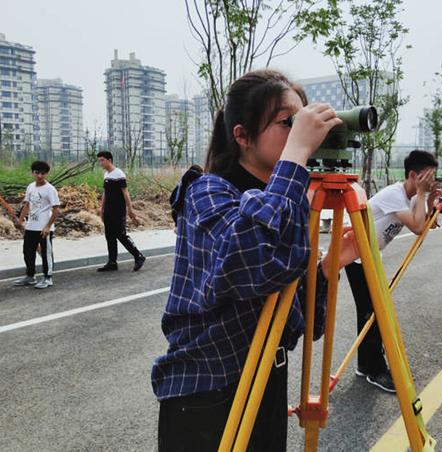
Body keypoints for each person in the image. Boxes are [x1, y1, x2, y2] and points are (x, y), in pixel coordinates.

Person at [152, 70, 341, 451]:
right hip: (209, 391)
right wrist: (295, 160)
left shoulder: (284, 201)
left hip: (265, 380)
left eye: (304, 121)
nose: (302, 131)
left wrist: (325, 269)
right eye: (288, 122)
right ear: (241, 135)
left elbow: (297, 323)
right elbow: (251, 258)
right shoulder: (207, 191)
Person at [343, 150, 442, 393]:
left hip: (369, 258)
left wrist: (427, 202)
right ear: (413, 175)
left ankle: (367, 366)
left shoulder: (410, 196)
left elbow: (425, 221)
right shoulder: (395, 194)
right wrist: (421, 194)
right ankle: (373, 369)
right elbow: (418, 227)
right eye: (428, 177)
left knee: (373, 312)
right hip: (357, 257)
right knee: (373, 313)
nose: (431, 181)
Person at [96, 151, 146, 272]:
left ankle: (138, 256)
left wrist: (130, 210)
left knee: (120, 234)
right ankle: (112, 262)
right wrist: (101, 209)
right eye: (99, 161)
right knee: (109, 236)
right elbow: (105, 193)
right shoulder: (106, 175)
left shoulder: (119, 174)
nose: (100, 163)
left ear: (109, 160)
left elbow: (125, 193)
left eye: (102, 160)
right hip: (108, 209)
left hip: (118, 210)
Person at [14, 160, 60, 289]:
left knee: (46, 253)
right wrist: (21, 220)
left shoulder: (50, 189)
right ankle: (30, 276)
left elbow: (56, 210)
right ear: (32, 173)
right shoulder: (30, 187)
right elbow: (27, 205)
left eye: (43, 173)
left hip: (44, 227)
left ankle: (47, 277)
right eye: (37, 173)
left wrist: (47, 227)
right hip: (31, 226)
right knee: (28, 251)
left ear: (46, 174)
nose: (40, 176)